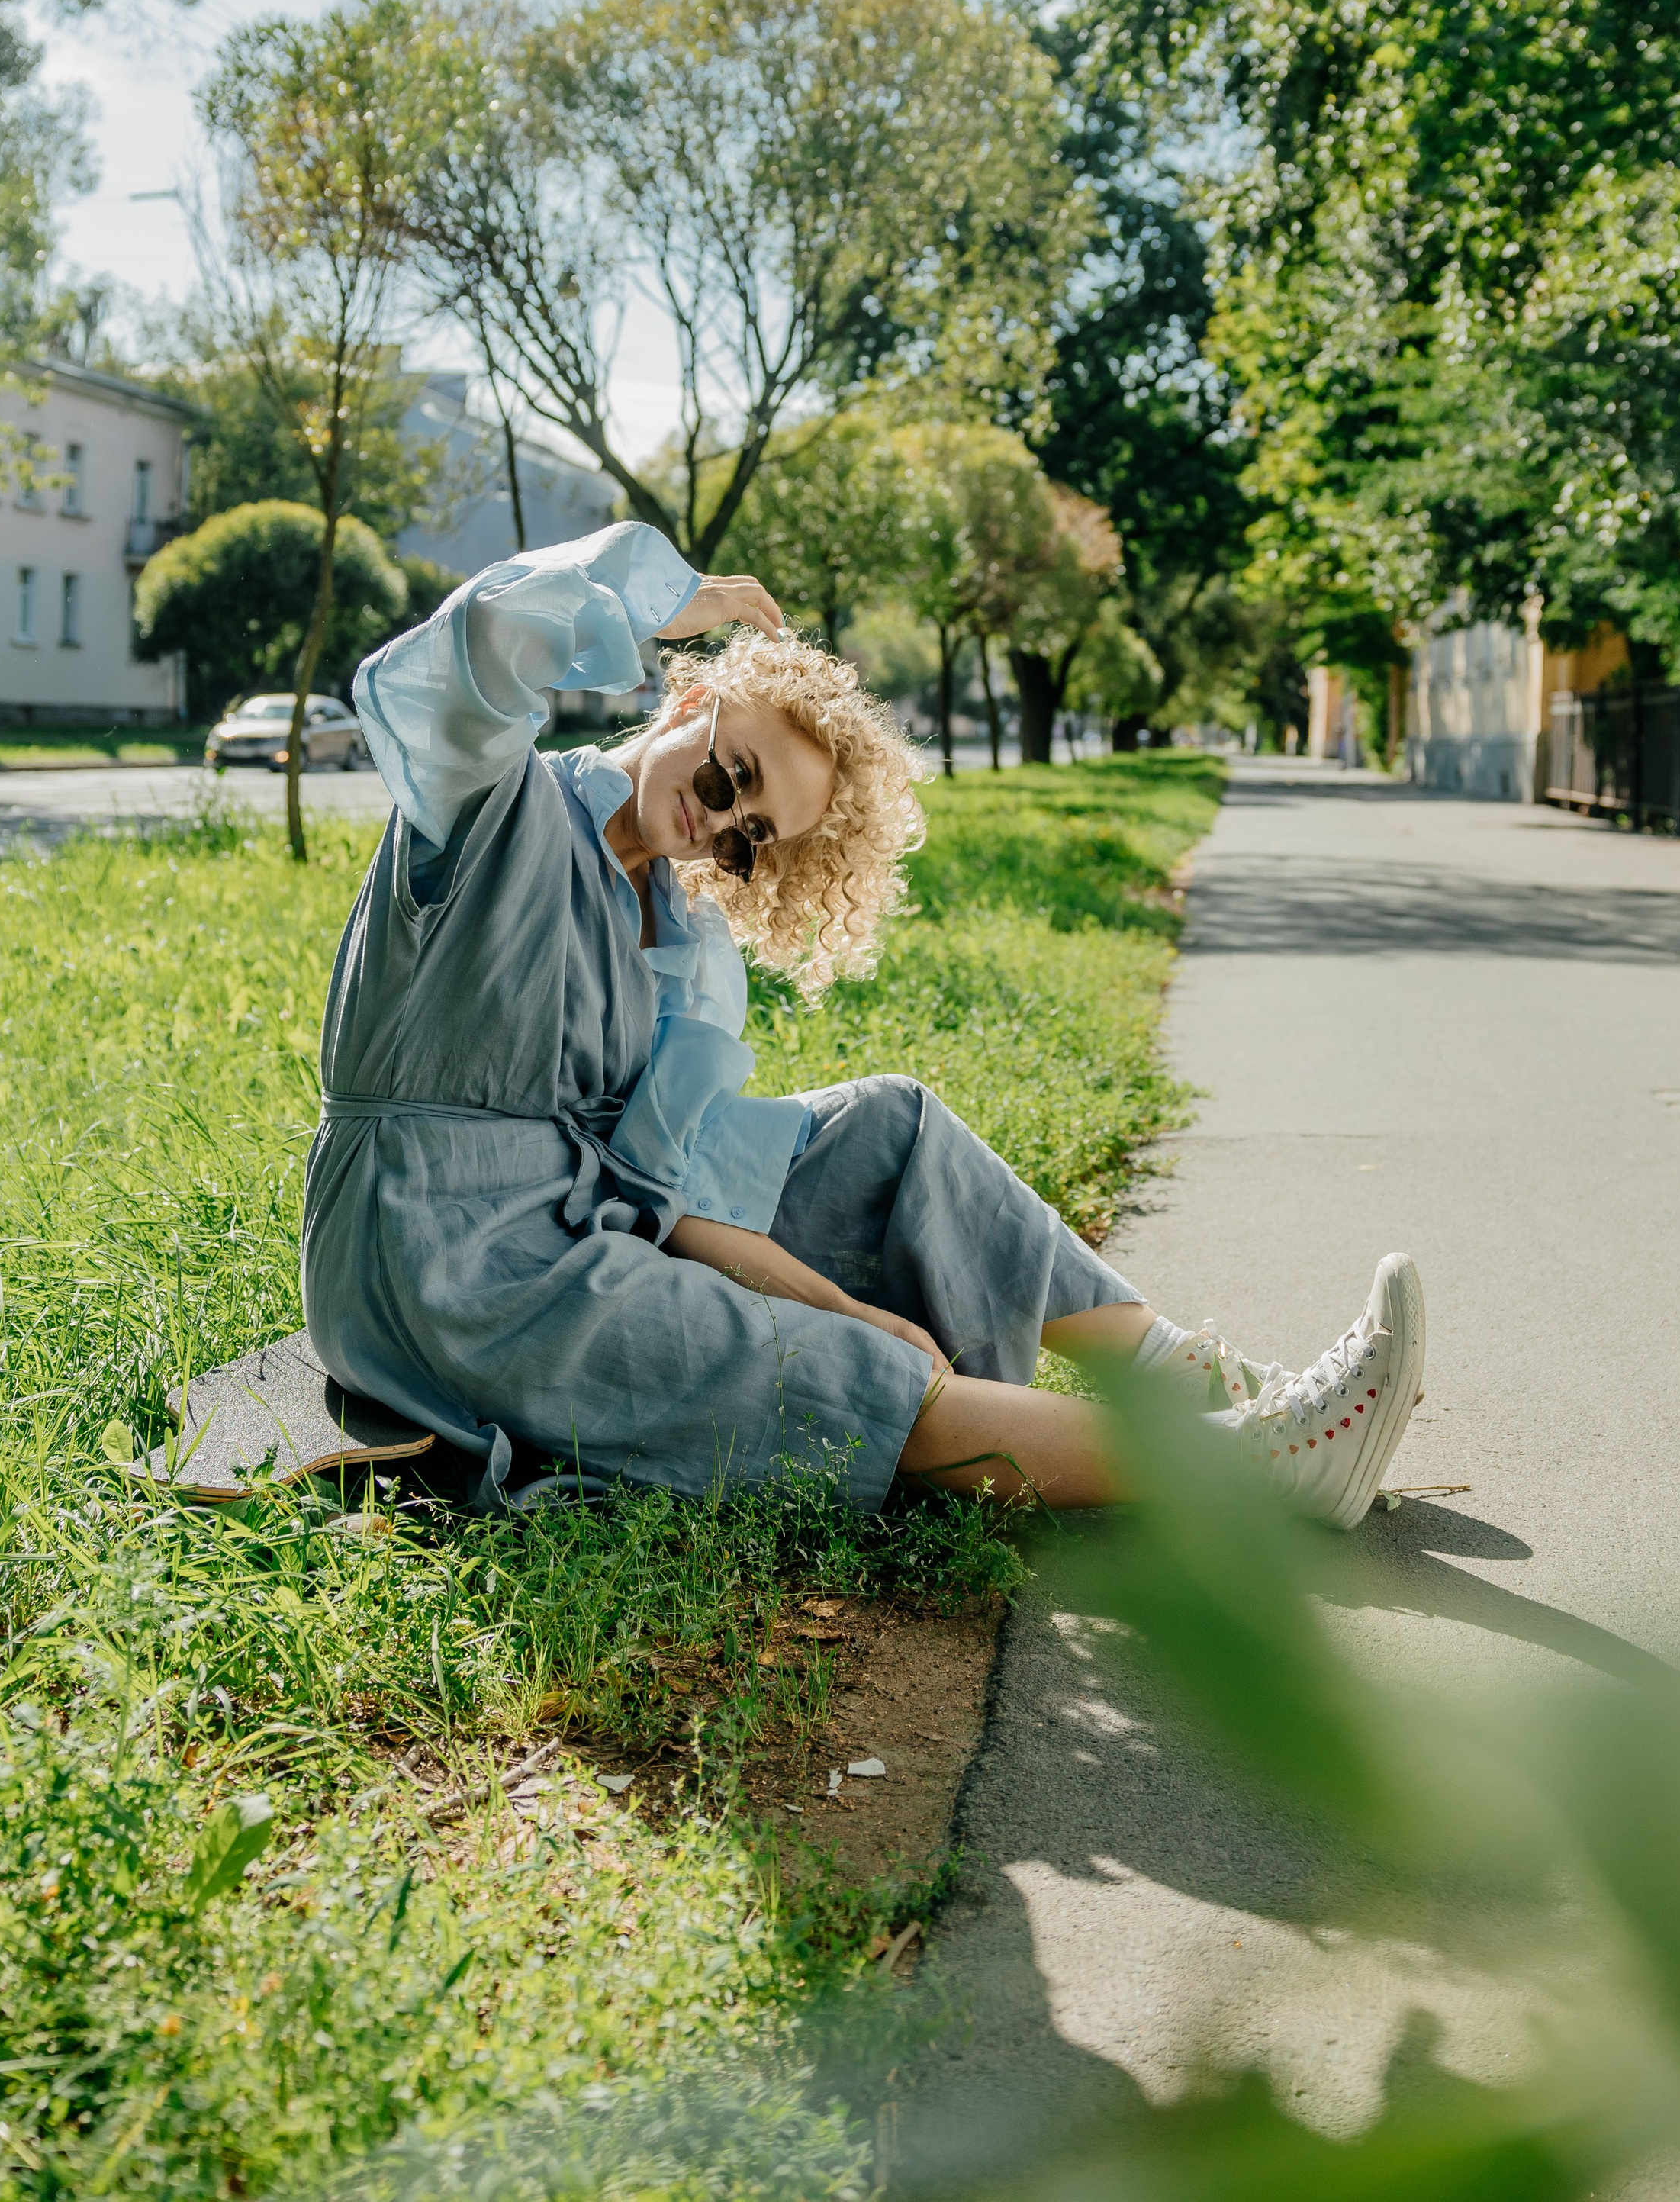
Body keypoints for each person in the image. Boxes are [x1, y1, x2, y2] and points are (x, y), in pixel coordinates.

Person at [301, 523, 1425, 1527]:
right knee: (850, 1380)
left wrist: (840, 1303)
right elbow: (473, 646)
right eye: (733, 775)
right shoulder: (493, 804)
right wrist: (650, 593)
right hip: (440, 1256)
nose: (720, 822)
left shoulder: (671, 939)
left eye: (753, 834)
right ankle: (1264, 1461)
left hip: (579, 1221)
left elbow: (669, 1193)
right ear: (691, 702)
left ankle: (1208, 1381)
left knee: (890, 1126)